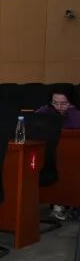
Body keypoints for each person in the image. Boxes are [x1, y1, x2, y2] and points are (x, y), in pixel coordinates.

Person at [37, 84, 80, 221]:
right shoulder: (45, 111)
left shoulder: (76, 114)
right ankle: (57, 203)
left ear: (71, 102)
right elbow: (33, 123)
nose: (59, 107)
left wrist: (71, 112)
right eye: (55, 103)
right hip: (51, 156)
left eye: (64, 103)